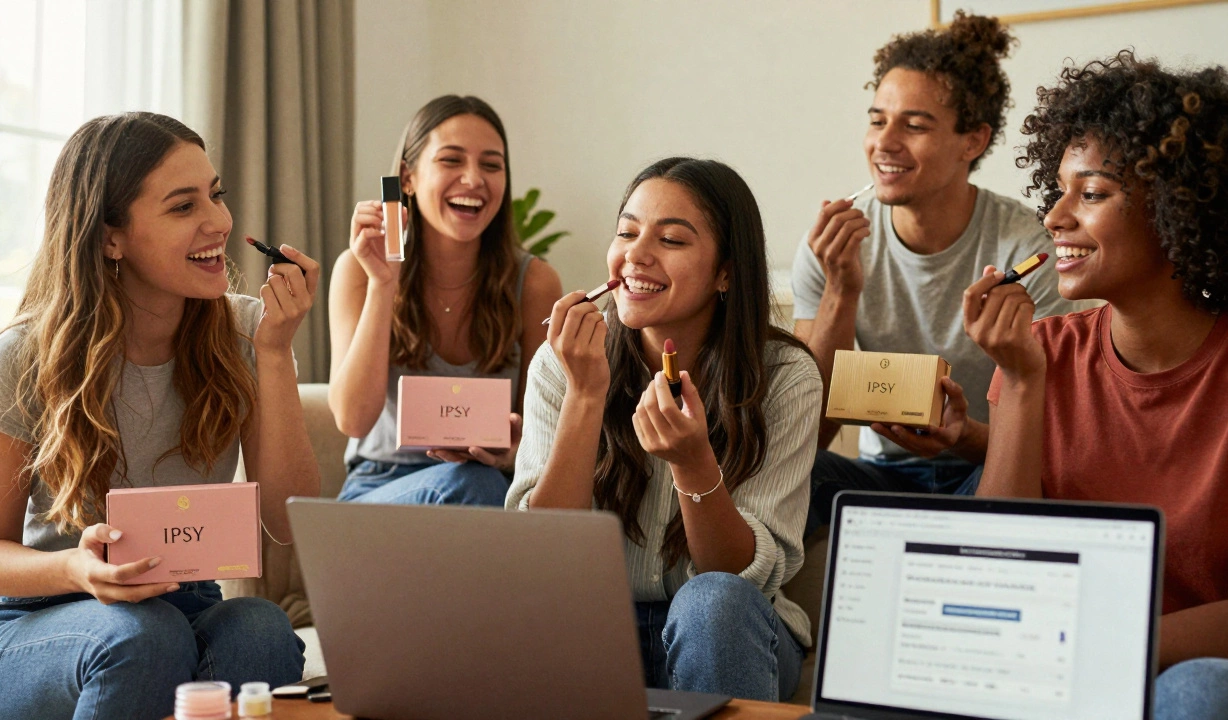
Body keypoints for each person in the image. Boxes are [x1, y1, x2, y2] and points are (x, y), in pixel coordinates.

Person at [966, 51, 1228, 719]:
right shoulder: (1040, 354)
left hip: (1212, 680)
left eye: (1093, 193)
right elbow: (999, 574)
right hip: (1070, 673)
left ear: (1178, 209)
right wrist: (1021, 383)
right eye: (1058, 190)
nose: (1053, 217)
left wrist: (1088, 643)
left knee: (1196, 694)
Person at [0, 112, 320, 720]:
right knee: (140, 635)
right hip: (41, 615)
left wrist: (275, 354)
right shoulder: (23, 356)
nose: (220, 222)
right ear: (109, 237)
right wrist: (77, 568)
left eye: (216, 195)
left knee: (260, 627)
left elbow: (289, 519)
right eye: (182, 206)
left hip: (186, 598)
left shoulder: (250, 331)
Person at [508, 158, 821, 702]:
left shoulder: (786, 377)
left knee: (712, 603)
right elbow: (540, 554)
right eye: (627, 231)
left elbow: (734, 574)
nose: (636, 253)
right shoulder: (562, 362)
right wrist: (585, 396)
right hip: (598, 629)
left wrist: (692, 462)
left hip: (730, 630)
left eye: (671, 239)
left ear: (726, 271)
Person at [791, 12, 1076, 533]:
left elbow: (1058, 444)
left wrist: (962, 435)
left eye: (915, 125)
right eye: (877, 120)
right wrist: (840, 292)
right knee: (779, 474)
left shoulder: (1026, 249)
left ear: (972, 141)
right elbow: (808, 436)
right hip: (880, 474)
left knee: (1054, 486)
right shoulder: (834, 245)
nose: (885, 142)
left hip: (985, 464)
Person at [329, 95, 561, 507]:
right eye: (452, 160)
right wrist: (384, 284)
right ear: (407, 179)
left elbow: (540, 434)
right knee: (474, 487)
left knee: (480, 485)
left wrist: (510, 453)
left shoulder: (535, 284)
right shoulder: (357, 269)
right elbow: (352, 419)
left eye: (491, 165)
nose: (473, 179)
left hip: (489, 484)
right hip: (381, 485)